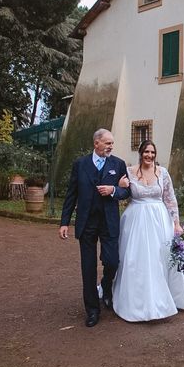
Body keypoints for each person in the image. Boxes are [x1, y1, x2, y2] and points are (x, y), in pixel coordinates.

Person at [112, 140, 184, 322]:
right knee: (136, 258)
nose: (149, 156)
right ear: (140, 153)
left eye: (152, 152)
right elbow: (121, 194)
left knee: (161, 256)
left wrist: (176, 223)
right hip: (136, 220)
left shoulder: (162, 173)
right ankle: (138, 298)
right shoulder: (129, 171)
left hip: (160, 219)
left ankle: (170, 294)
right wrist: (119, 186)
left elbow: (170, 198)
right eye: (146, 152)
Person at [59, 129, 130, 327]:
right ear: (96, 143)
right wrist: (64, 222)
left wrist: (114, 190)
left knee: (112, 261)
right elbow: (71, 194)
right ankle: (92, 310)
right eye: (107, 143)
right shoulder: (80, 165)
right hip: (87, 223)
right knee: (88, 268)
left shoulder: (118, 164)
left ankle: (106, 287)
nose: (111, 146)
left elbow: (127, 191)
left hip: (109, 222)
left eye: (112, 143)